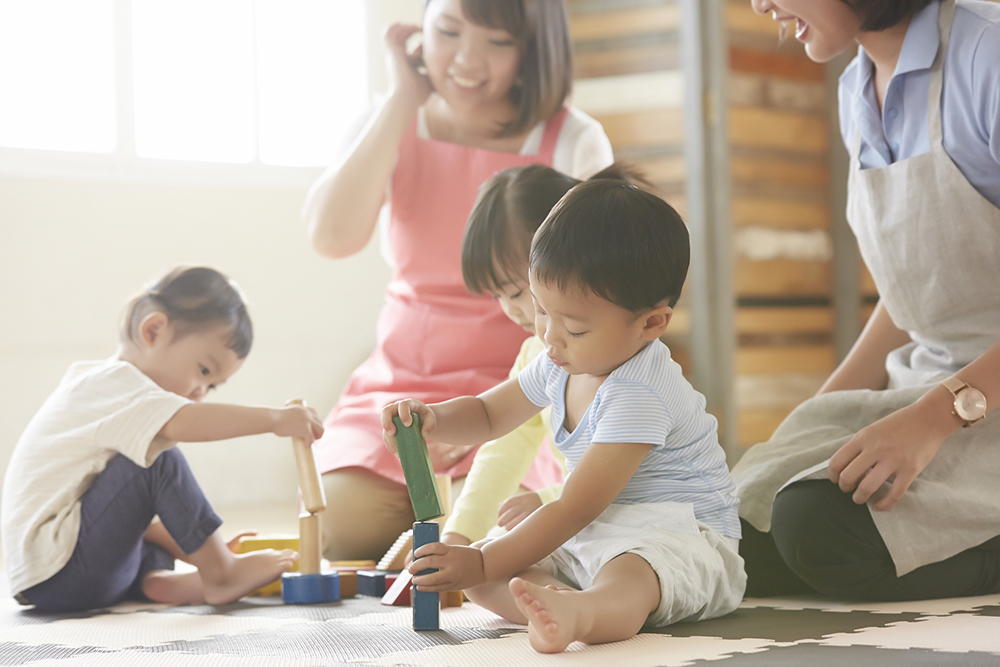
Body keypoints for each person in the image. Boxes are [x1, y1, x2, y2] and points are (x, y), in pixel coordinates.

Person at [302, 0, 613, 562]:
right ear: (419, 33)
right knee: (344, 528)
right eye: (448, 32)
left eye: (497, 42)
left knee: (507, 527)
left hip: (518, 388)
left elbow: (596, 288)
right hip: (403, 381)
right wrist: (402, 99)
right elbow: (331, 236)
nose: (467, 60)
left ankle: (446, 522)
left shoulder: (572, 139)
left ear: (532, 49)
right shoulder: (391, 118)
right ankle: (431, 516)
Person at [382, 181, 745, 653]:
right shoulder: (561, 359)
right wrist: (434, 419)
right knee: (481, 575)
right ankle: (558, 603)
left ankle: (587, 611)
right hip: (597, 528)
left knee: (627, 572)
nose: (550, 338)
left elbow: (575, 507)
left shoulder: (640, 390)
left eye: (574, 327)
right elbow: (491, 414)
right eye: (540, 311)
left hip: (678, 535)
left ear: (651, 323)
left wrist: (483, 559)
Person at [735, 0, 1000, 600]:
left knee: (815, 527)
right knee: (739, 523)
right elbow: (913, 292)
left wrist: (936, 418)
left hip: (974, 401)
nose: (759, 4)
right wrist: (814, 417)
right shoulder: (856, 88)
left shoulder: (989, 56)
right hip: (929, 388)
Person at [1, 267, 325, 612]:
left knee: (149, 494)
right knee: (156, 461)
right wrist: (275, 419)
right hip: (63, 570)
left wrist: (203, 543)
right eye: (203, 370)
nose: (201, 393)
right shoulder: (116, 384)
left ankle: (156, 581)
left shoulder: (103, 392)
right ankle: (221, 574)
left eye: (212, 385)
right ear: (153, 331)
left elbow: (126, 515)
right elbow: (183, 422)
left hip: (54, 578)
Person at [443, 163, 652, 548]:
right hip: (576, 522)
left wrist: (545, 501)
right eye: (497, 296)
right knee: (488, 564)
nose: (511, 310)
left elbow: (624, 482)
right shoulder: (536, 356)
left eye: (518, 291)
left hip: (641, 527)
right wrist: (459, 535)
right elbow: (504, 445)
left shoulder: (623, 360)